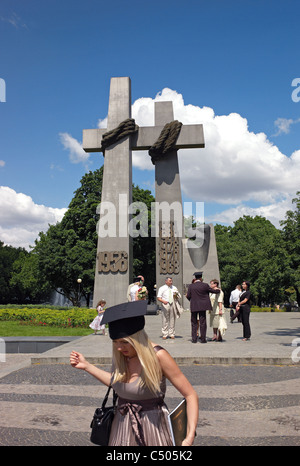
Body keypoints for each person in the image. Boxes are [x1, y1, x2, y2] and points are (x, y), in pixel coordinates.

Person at [70, 300, 198, 446]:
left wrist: (189, 435)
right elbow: (116, 383)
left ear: (137, 338)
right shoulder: (121, 356)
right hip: (121, 426)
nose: (119, 348)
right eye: (115, 342)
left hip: (153, 428)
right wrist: (86, 366)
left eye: (124, 342)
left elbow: (190, 394)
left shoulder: (159, 356)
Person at [186, 272, 220, 343]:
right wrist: (218, 290)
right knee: (203, 323)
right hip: (203, 306)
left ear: (195, 278)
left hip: (194, 306)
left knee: (194, 323)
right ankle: (203, 339)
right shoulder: (205, 285)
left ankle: (194, 339)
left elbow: (188, 296)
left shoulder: (191, 286)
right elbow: (212, 291)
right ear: (201, 278)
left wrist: (193, 301)